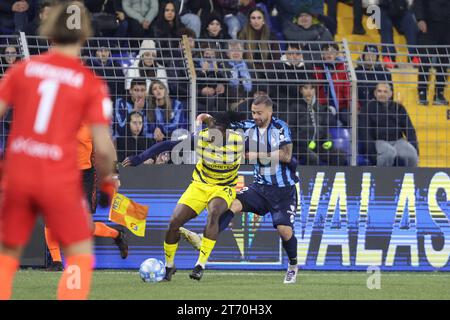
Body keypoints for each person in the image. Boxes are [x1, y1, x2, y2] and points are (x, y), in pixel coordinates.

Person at [0, 1, 118, 300]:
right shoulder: (91, 84)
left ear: (50, 34)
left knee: (7, 251)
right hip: (59, 177)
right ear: (84, 37)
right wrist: (106, 181)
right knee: (78, 250)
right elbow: (104, 150)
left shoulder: (23, 70)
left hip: (18, 173)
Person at [182, 95, 300, 284]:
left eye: (259, 113)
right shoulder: (247, 127)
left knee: (284, 231)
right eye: (253, 112)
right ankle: (203, 239)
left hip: (283, 191)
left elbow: (286, 155)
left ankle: (293, 265)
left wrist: (258, 154)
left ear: (270, 111)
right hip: (259, 188)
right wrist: (209, 118)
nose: (255, 116)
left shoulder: (280, 128)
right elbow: (223, 126)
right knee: (231, 204)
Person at [123, 111, 246, 281]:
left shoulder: (239, 140)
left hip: (224, 188)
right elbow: (167, 145)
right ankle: (169, 266)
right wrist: (140, 158)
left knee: (214, 213)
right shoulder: (202, 138)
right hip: (200, 185)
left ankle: (200, 265)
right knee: (174, 222)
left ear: (225, 131)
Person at [45, 124, 129, 271]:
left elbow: (108, 146)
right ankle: (56, 262)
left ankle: (117, 234)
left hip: (85, 176)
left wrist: (114, 174)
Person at [359, 82, 419, 167]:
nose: (382, 94)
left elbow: (409, 129)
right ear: (375, 93)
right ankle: (382, 177)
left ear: (390, 94)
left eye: (385, 91)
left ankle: (410, 177)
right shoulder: (367, 108)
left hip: (398, 140)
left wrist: (415, 148)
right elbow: (365, 133)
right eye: (379, 91)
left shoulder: (399, 108)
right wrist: (372, 154)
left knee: (411, 154)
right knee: (389, 153)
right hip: (379, 141)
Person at [288, 83, 346, 165]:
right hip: (300, 146)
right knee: (313, 158)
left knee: (339, 155)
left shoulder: (320, 107)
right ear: (301, 90)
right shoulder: (294, 107)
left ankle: (332, 177)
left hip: (318, 145)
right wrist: (305, 142)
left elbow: (325, 127)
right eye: (306, 88)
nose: (309, 91)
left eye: (312, 88)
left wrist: (327, 141)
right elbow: (290, 130)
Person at [414, 0, 450, 106]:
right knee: (425, 60)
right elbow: (418, 2)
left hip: (447, 26)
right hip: (429, 25)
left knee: (444, 60)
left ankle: (439, 93)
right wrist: (420, 19)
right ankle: (422, 92)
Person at [314, 43, 351, 127]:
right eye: (326, 52)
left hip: (342, 106)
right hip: (323, 106)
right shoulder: (316, 68)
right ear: (322, 54)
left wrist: (353, 106)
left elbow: (347, 89)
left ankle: (349, 140)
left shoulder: (343, 68)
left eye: (332, 52)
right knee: (330, 121)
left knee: (349, 119)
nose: (329, 55)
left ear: (337, 54)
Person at [378, 0, 419, 69]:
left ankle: (414, 56)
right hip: (381, 7)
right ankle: (388, 57)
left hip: (401, 6)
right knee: (386, 24)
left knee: (409, 21)